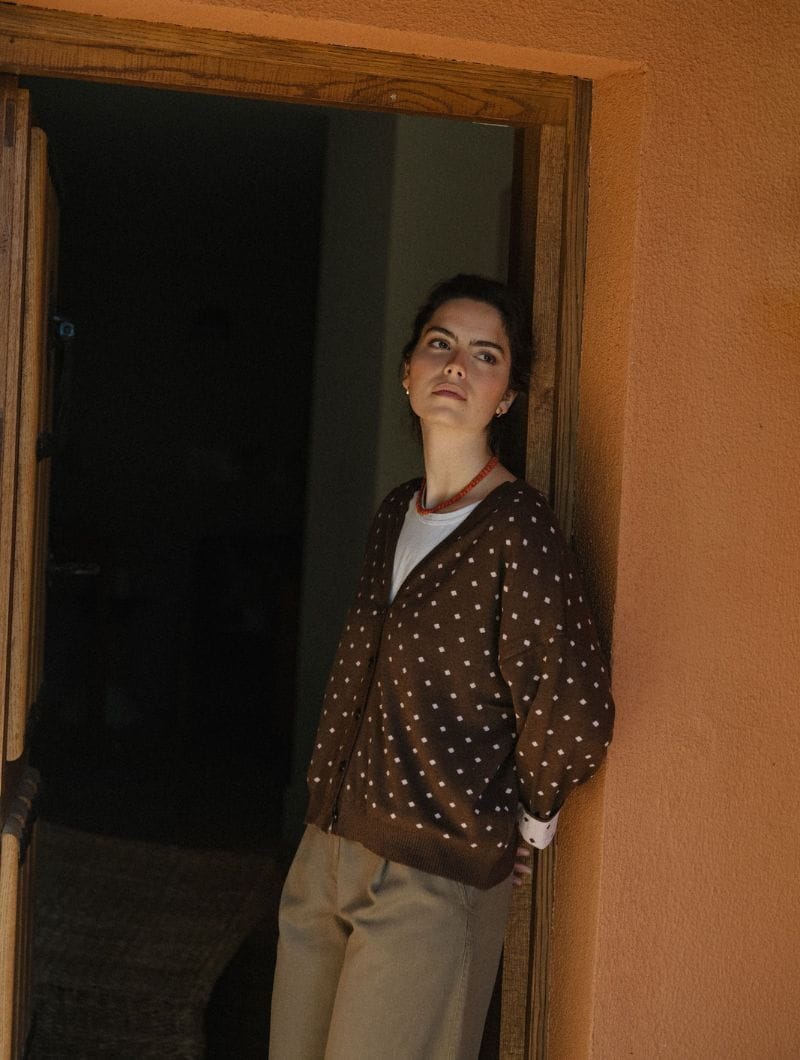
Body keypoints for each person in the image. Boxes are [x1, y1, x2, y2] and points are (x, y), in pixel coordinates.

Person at [269, 274, 614, 1059]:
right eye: (440, 343)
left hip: (430, 873)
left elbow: (574, 704)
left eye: (485, 355)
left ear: (507, 396)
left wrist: (530, 820)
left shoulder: (519, 528)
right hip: (327, 851)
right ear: (408, 371)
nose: (457, 363)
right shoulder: (396, 510)